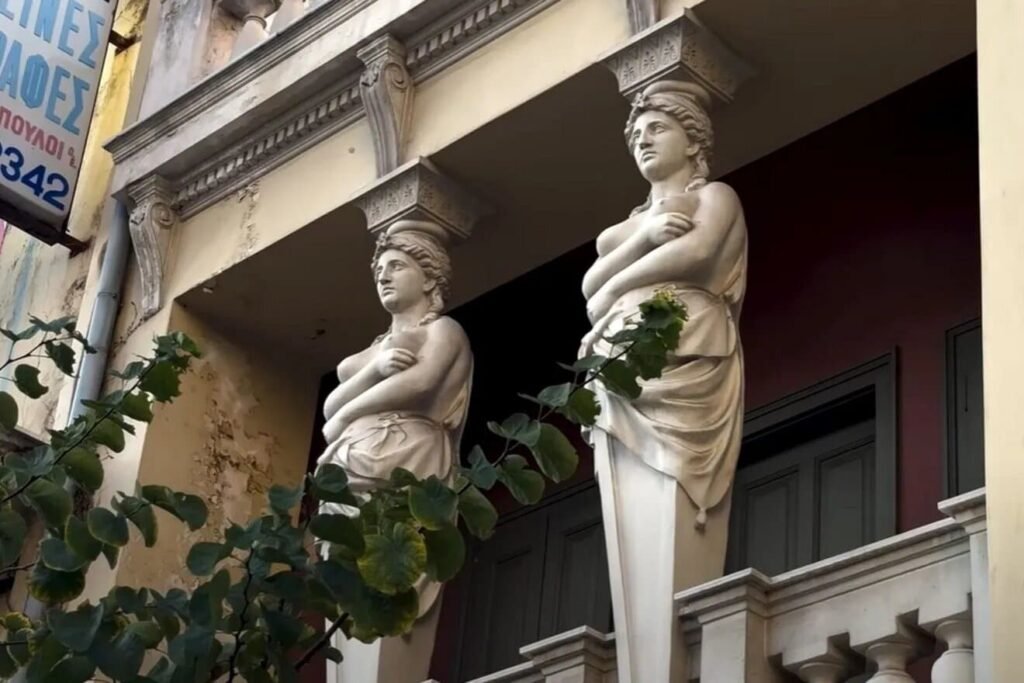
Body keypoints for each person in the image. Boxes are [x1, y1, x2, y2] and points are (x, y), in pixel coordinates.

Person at [580, 80, 748, 683]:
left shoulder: (717, 197)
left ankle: (661, 667)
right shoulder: (628, 228)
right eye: (635, 133)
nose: (641, 139)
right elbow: (589, 291)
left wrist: (617, 278)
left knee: (674, 504)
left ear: (692, 137)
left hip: (687, 348)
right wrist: (647, 238)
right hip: (621, 365)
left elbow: (698, 257)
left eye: (656, 128)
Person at [317, 219, 472, 619]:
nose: (384, 275)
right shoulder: (374, 351)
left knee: (394, 560)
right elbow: (330, 406)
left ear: (428, 279)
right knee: (351, 573)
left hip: (408, 451)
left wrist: (346, 416)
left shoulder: (443, 329)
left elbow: (421, 381)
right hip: (350, 460)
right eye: (380, 269)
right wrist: (375, 370)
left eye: (397, 266)